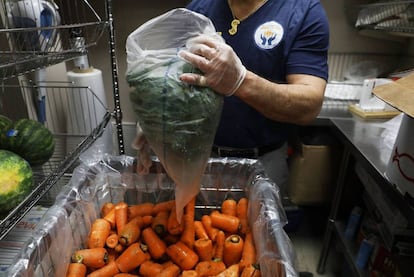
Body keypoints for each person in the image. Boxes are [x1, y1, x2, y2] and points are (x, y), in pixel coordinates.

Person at [133, 0, 329, 200]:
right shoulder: (199, 9)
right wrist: (153, 121)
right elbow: (171, 75)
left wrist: (240, 81)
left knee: (256, 229)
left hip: (264, 164)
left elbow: (309, 105)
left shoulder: (302, 11)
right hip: (198, 161)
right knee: (193, 228)